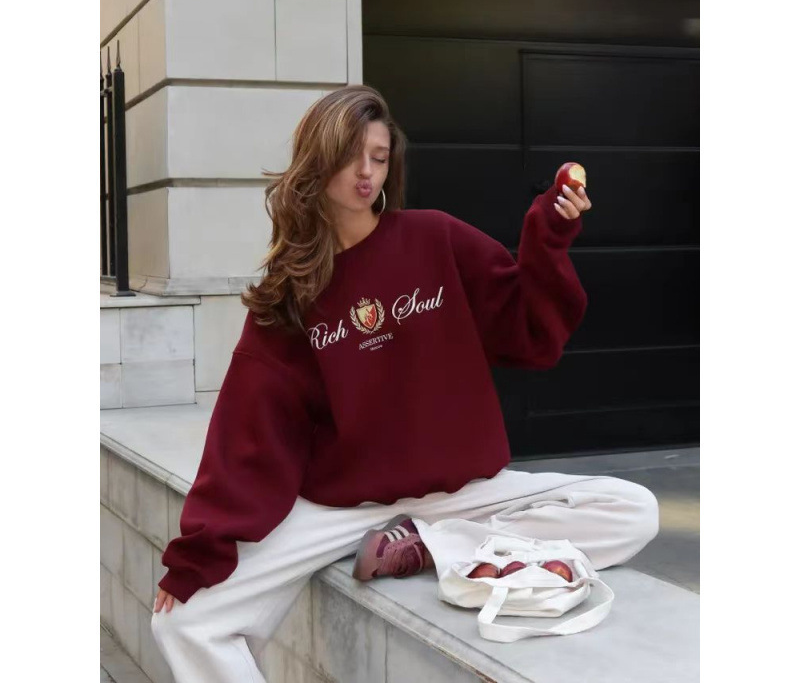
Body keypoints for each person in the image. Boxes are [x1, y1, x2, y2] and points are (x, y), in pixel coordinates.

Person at [151, 85, 658, 682]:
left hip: (462, 494)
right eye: (352, 156)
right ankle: (430, 543)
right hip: (340, 509)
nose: (367, 173)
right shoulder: (291, 294)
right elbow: (248, 430)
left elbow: (526, 330)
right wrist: (202, 550)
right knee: (183, 623)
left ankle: (426, 545)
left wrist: (546, 234)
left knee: (633, 510)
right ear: (318, 160)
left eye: (379, 157)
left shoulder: (434, 238)